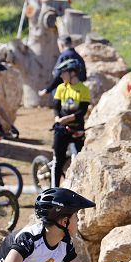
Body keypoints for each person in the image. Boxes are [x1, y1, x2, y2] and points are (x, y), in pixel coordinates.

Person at [50, 58, 90, 186]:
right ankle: (53, 189)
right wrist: (58, 119)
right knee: (58, 161)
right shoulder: (61, 88)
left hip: (76, 128)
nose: (61, 75)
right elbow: (56, 107)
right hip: (61, 129)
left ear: (72, 73)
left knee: (78, 159)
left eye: (63, 72)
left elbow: (82, 112)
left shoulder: (83, 89)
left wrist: (67, 119)